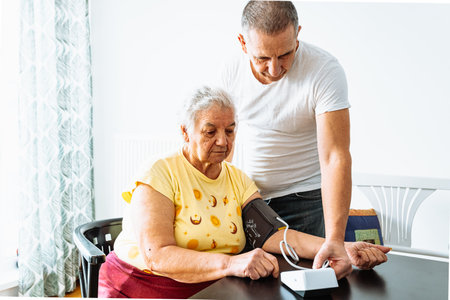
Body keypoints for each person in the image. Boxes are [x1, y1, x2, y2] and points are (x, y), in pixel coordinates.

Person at [98, 86, 389, 298]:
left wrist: (340, 247)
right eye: (210, 132)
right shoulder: (159, 172)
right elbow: (157, 256)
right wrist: (232, 263)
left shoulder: (237, 179)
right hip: (145, 284)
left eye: (230, 130)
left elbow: (272, 234)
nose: (223, 141)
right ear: (186, 133)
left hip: (214, 286)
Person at [220, 1, 352, 270]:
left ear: (297, 35)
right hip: (249, 201)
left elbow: (335, 157)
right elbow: (224, 145)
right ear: (243, 43)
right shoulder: (231, 70)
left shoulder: (324, 70)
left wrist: (336, 239)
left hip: (305, 199)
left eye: (285, 55)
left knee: (305, 286)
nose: (274, 68)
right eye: (262, 58)